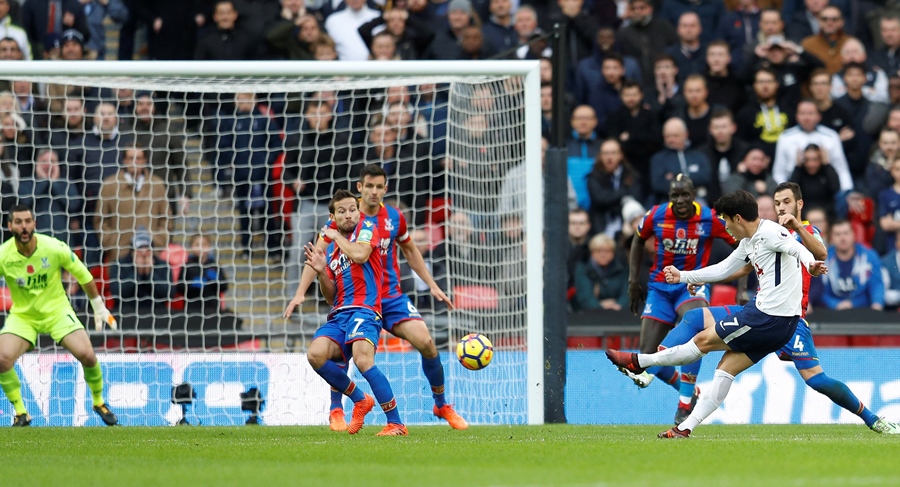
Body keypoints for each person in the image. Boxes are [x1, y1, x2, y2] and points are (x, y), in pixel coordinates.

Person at [643, 183, 900, 434]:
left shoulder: (806, 231)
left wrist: (797, 226)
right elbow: (739, 267)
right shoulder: (764, 235)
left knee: (817, 380)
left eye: (786, 202)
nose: (780, 208)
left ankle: (873, 419)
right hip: (759, 312)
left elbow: (820, 252)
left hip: (791, 320)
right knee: (696, 318)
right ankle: (660, 373)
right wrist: (695, 278)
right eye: (776, 203)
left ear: (799, 204)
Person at [608, 189, 828, 438]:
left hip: (765, 317)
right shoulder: (749, 241)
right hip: (780, 324)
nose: (724, 225)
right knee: (725, 369)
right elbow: (723, 269)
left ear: (737, 218)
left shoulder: (769, 232)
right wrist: (683, 276)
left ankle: (640, 363)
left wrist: (810, 264)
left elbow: (795, 248)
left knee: (702, 340)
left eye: (725, 219)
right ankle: (685, 428)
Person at [285, 165, 465, 431]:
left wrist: (432, 284)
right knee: (339, 349)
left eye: (379, 187)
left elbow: (411, 251)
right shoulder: (341, 217)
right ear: (360, 188)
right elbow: (318, 256)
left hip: (389, 296)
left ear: (385, 189)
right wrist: (300, 292)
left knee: (426, 341)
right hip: (353, 297)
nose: (374, 192)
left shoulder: (391, 218)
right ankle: (338, 409)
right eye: (369, 186)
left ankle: (440, 404)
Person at [622, 175, 737, 420]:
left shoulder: (709, 218)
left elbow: (741, 246)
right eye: (675, 196)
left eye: (685, 195)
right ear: (669, 197)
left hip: (691, 285)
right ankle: (688, 390)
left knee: (697, 328)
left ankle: (685, 404)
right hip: (660, 288)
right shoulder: (656, 215)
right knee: (647, 354)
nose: (680, 200)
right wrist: (633, 281)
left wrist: (744, 284)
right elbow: (638, 240)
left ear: (693, 195)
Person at [301, 189, 407, 436]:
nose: (348, 215)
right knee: (315, 354)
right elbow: (331, 296)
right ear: (333, 216)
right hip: (340, 314)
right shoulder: (334, 252)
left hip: (365, 309)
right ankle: (361, 400)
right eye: (341, 211)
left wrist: (335, 237)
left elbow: (360, 255)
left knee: (362, 359)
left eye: (352, 210)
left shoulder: (366, 231)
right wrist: (320, 271)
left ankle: (396, 423)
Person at [0, 205, 118, 426]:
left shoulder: (54, 248)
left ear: (34, 223)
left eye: (27, 221)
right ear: (9, 226)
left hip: (57, 312)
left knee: (88, 355)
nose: (24, 227)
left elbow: (83, 274)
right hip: (23, 317)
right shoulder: (4, 255)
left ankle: (99, 401)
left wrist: (98, 306)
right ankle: (20, 412)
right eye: (18, 222)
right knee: (2, 358)